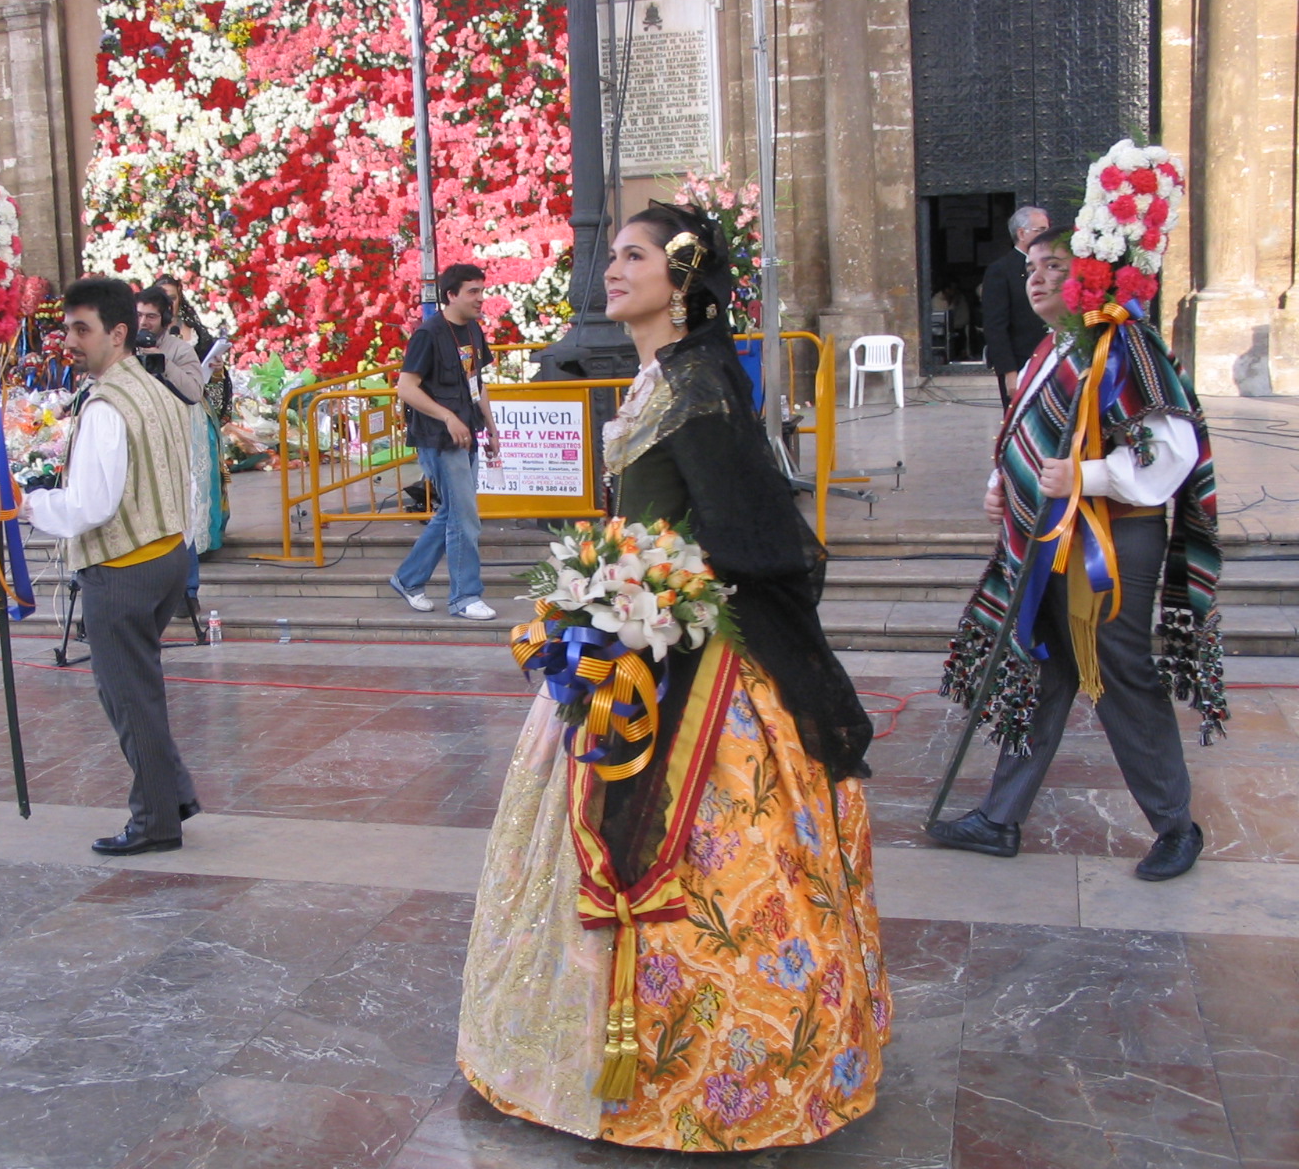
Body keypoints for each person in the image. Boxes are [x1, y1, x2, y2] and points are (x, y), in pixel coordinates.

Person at [458, 204, 889, 1151]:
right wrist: (607, 587)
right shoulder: (659, 379)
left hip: (691, 652)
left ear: (683, 281)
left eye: (634, 257)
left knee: (707, 854)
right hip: (634, 632)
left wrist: (652, 589)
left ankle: (722, 1066)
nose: (611, 271)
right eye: (611, 255)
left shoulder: (699, 385)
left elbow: (750, 530)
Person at [931, 228, 1224, 881]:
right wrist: (999, 487)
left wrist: (1087, 479)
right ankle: (1001, 817)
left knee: (1119, 672)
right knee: (1046, 670)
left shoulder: (1124, 345)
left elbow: (1169, 449)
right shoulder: (1049, 352)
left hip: (1110, 542)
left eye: (1053, 266)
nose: (1035, 278)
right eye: (1029, 267)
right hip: (1052, 540)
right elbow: (1026, 438)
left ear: (1090, 275)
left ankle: (1177, 825)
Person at [0, 278, 199, 856]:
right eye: (67, 328)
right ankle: (170, 794)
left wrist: (24, 505)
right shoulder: (153, 387)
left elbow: (90, 505)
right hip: (165, 556)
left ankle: (156, 820)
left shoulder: (108, 405)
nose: (71, 341)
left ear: (119, 332)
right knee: (138, 689)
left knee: (129, 697)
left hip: (123, 568)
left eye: (83, 329)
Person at [388, 263, 502, 621]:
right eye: (473, 292)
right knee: (464, 517)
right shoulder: (429, 334)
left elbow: (475, 381)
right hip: (439, 438)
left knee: (453, 514)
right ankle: (465, 597)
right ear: (451, 295)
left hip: (467, 432)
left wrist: (491, 426)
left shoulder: (473, 330)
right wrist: (447, 416)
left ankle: (408, 579)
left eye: (482, 291)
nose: (481, 299)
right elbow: (406, 387)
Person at [137, 286, 224, 618]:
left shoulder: (180, 350)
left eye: (151, 316)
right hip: (137, 444)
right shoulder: (122, 347)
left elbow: (193, 390)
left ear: (165, 319)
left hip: (174, 444)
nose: (143, 322)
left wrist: (162, 365)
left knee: (179, 516)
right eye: (139, 315)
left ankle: (187, 592)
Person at [981, 205, 1049, 407]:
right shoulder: (1001, 270)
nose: (1047, 236)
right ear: (1022, 233)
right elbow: (995, 326)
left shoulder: (1051, 266)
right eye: (1041, 231)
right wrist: (1009, 372)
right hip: (1021, 360)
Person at [153, 274, 217, 361]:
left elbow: (208, 366)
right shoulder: (146, 333)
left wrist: (217, 369)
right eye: (162, 298)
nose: (168, 304)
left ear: (179, 299)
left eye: (172, 298)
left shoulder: (197, 334)